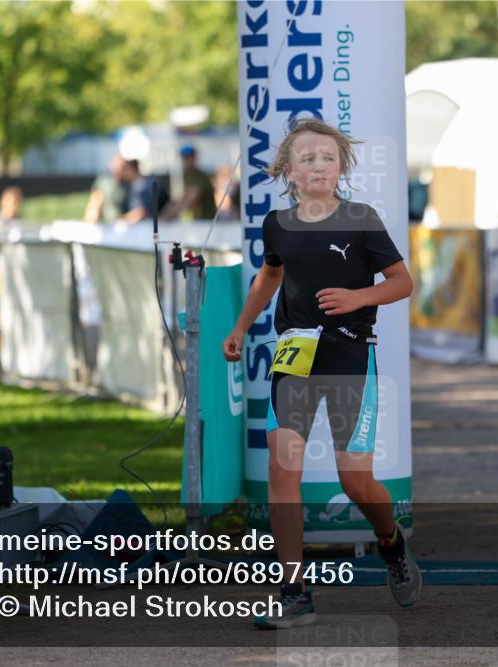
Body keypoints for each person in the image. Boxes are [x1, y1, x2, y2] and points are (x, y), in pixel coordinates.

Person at [222, 118, 420, 629]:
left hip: (351, 357)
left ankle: (391, 543)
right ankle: (294, 591)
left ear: (341, 168)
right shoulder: (277, 225)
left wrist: (360, 296)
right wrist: (243, 327)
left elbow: (402, 282)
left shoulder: (360, 219)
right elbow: (270, 275)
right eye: (307, 158)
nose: (318, 165)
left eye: (327, 158)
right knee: (281, 468)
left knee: (355, 480)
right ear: (289, 170)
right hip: (295, 358)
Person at [170, 145, 217, 220]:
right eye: (185, 158)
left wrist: (169, 216)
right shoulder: (182, 177)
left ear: (195, 158)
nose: (187, 161)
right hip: (194, 222)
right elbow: (176, 200)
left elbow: (192, 198)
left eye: (190, 157)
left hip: (206, 221)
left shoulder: (202, 177)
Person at [84, 155, 134, 223]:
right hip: (110, 225)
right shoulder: (104, 182)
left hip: (129, 225)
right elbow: (95, 203)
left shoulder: (133, 183)